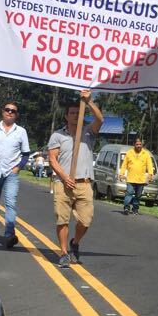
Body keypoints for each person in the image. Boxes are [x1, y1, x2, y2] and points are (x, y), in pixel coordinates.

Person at [47, 90, 103, 268]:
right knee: (62, 219)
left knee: (86, 220)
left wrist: (89, 101)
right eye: (72, 113)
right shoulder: (58, 135)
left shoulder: (88, 132)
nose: (75, 115)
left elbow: (100, 120)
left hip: (84, 183)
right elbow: (52, 159)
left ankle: (75, 243)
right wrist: (64, 177)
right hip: (63, 184)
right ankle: (64, 253)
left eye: (78, 112)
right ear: (66, 116)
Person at [0, 100, 30, 249]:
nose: (9, 112)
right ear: (3, 112)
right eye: (7, 109)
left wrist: (18, 168)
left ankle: (9, 235)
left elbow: (26, 154)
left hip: (11, 173)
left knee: (10, 204)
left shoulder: (21, 131)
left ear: (16, 115)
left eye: (13, 111)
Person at [120, 137, 154, 215]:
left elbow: (149, 165)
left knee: (138, 196)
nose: (138, 146)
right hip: (131, 179)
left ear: (142, 145)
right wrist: (121, 174)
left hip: (141, 180)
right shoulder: (129, 153)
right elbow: (124, 164)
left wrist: (150, 175)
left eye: (140, 144)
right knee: (129, 193)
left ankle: (135, 209)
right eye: (137, 144)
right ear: (134, 145)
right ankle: (126, 208)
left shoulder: (146, 154)